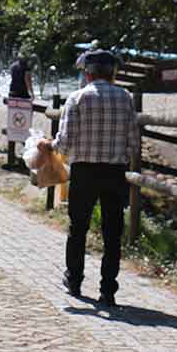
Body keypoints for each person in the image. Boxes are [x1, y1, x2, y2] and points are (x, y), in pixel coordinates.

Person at [37, 50, 138, 307]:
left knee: (78, 228)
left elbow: (65, 143)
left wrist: (48, 145)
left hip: (85, 171)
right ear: (112, 72)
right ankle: (108, 290)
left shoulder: (77, 97)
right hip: (115, 172)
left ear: (88, 72)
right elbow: (134, 142)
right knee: (112, 232)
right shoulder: (126, 98)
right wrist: (119, 157)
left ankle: (75, 280)